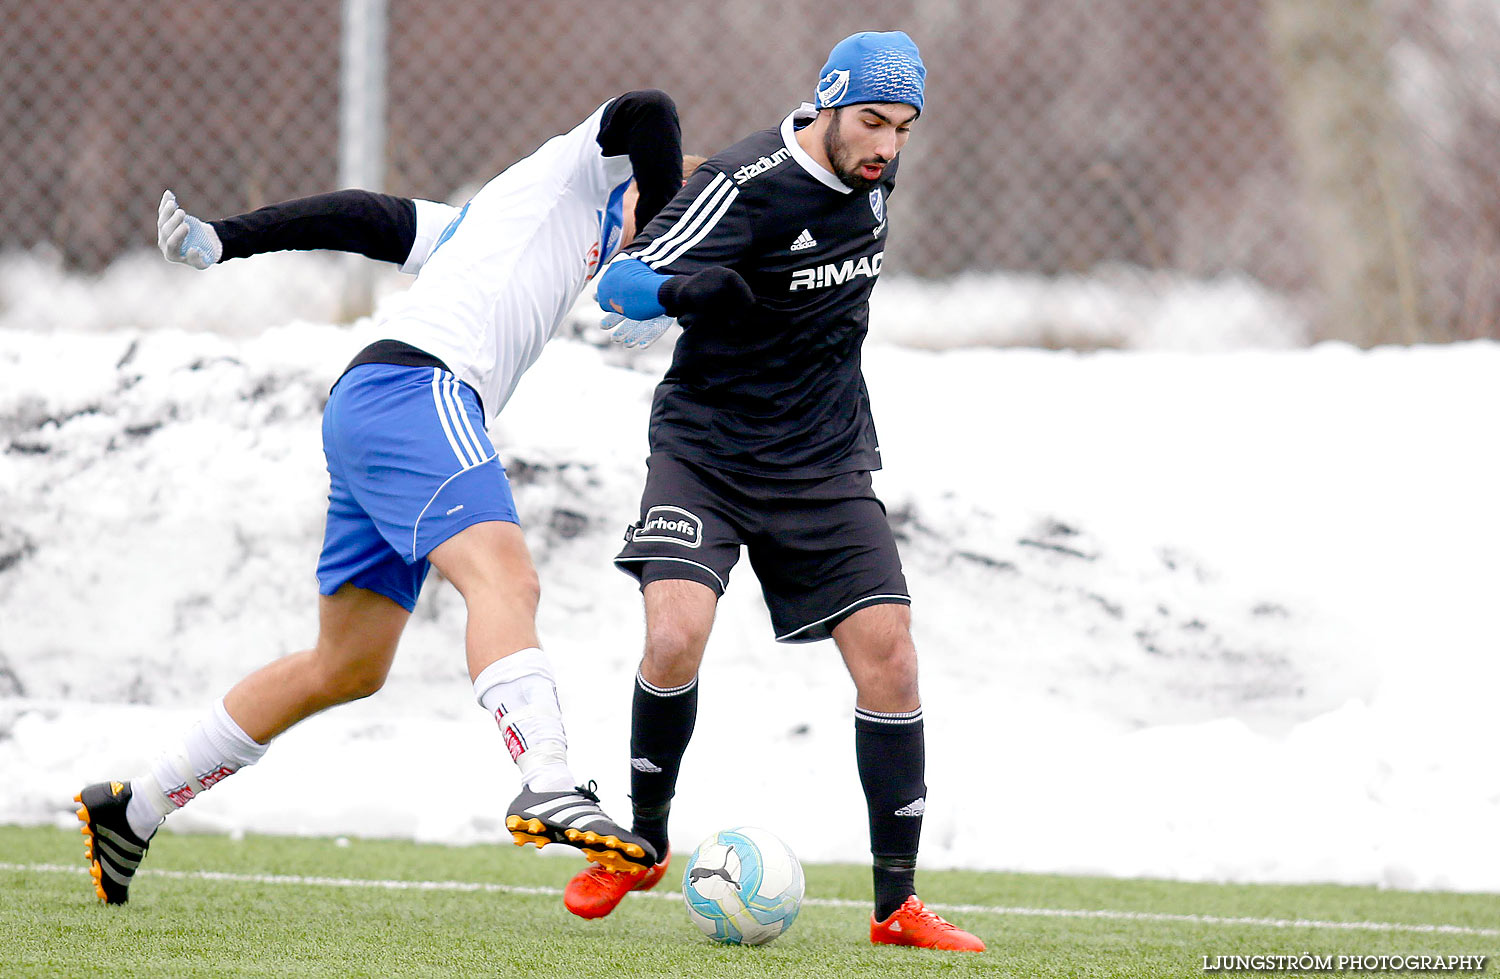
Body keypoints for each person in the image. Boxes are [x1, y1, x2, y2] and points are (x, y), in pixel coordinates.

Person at [74, 90, 690, 905]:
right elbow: (648, 111)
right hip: (417, 391)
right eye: (687, 189)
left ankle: (134, 808)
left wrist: (227, 238)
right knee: (506, 579)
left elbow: (360, 216)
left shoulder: (494, 225)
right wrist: (662, 236)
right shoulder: (585, 170)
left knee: (348, 664)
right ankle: (546, 777)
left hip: (372, 404)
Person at [559, 33, 987, 953]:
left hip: (824, 461)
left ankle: (896, 906)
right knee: (674, 632)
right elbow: (621, 285)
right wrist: (682, 292)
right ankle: (642, 840)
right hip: (707, 450)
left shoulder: (874, 170)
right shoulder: (750, 183)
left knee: (893, 659)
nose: (888, 146)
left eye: (905, 129)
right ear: (826, 104)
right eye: (872, 121)